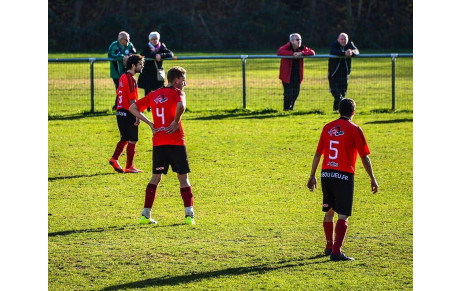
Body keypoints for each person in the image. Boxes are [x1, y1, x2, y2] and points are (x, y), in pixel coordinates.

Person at [306, 98, 378, 261]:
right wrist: (373, 178)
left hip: (326, 174)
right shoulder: (355, 129)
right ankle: (336, 252)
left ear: (339, 111)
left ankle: (329, 246)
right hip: (344, 175)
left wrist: (312, 175)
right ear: (353, 112)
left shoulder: (327, 128)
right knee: (343, 214)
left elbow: (318, 153)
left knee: (329, 211)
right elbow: (364, 157)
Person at [128, 66, 195, 225]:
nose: (185, 84)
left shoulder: (154, 94)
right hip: (176, 140)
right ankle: (189, 216)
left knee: (155, 177)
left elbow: (133, 108)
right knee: (183, 178)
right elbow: (181, 106)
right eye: (183, 80)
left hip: (158, 141)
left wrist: (150, 124)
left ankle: (145, 214)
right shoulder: (178, 93)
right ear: (177, 80)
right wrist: (175, 121)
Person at [109, 55, 144, 174]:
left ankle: (114, 159)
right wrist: (137, 116)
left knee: (125, 138)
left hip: (120, 111)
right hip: (128, 111)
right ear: (133, 65)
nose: (142, 66)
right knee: (133, 140)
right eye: (140, 64)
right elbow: (132, 101)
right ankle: (129, 166)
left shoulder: (123, 76)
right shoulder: (130, 78)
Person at [277, 33, 315, 111]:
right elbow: (280, 52)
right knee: (288, 93)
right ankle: (286, 109)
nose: (299, 41)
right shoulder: (286, 47)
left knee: (296, 93)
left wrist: (302, 53)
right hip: (287, 75)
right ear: (291, 41)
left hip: (297, 75)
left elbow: (312, 52)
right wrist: (292, 54)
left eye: (300, 39)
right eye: (297, 39)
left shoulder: (302, 48)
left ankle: (291, 107)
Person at [138, 31, 174, 111]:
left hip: (157, 73)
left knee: (159, 90)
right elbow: (143, 54)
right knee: (147, 91)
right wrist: (154, 55)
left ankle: (159, 105)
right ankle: (148, 107)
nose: (154, 41)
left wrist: (161, 55)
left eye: (156, 39)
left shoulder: (161, 46)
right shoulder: (147, 47)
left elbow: (170, 53)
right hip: (147, 72)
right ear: (150, 40)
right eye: (153, 39)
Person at [328, 33, 359, 111]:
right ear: (338, 39)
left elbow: (357, 51)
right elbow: (333, 51)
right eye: (342, 39)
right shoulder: (334, 44)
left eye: (345, 39)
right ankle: (338, 107)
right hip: (334, 73)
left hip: (345, 73)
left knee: (342, 92)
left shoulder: (350, 44)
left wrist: (352, 52)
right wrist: (344, 53)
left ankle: (336, 110)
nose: (343, 40)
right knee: (336, 93)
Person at [108, 31, 137, 110]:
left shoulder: (130, 45)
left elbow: (134, 53)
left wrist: (129, 56)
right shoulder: (114, 45)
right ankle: (118, 105)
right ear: (120, 40)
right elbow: (111, 54)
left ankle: (121, 105)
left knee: (126, 89)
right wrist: (122, 57)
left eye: (128, 39)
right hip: (116, 73)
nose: (128, 41)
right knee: (119, 89)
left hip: (126, 73)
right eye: (126, 40)